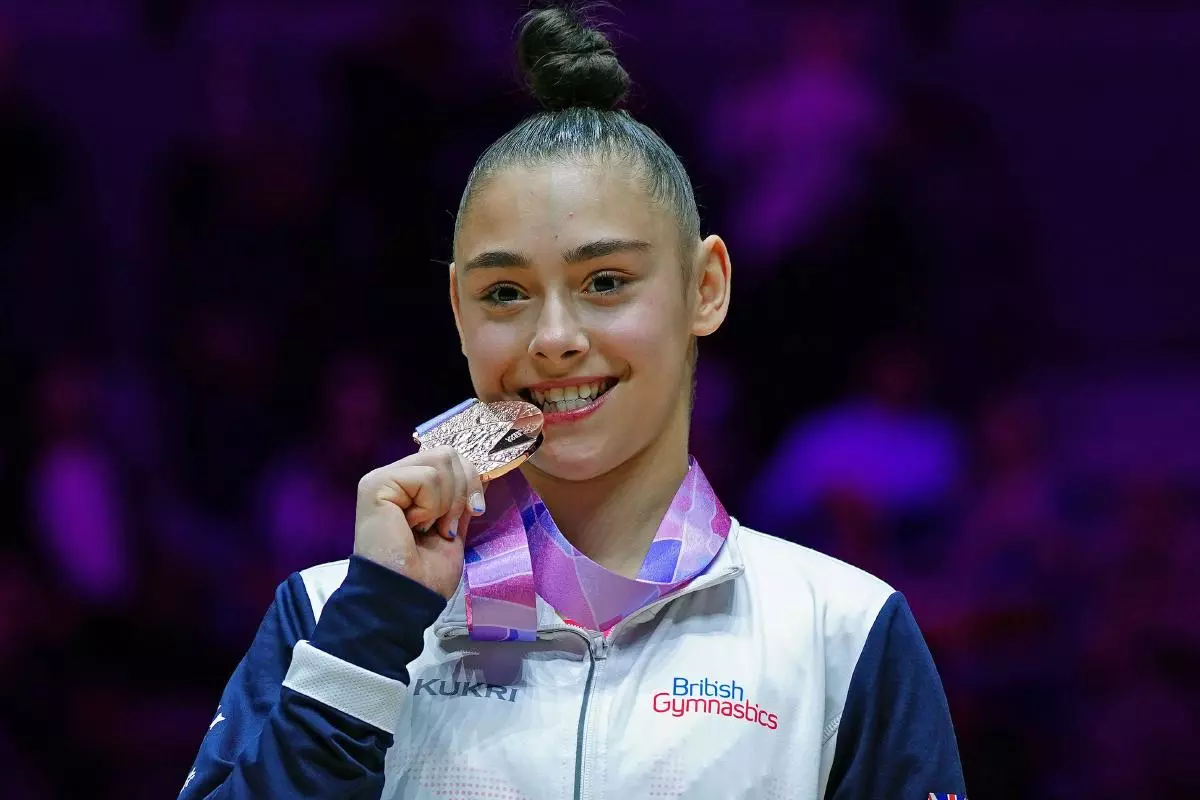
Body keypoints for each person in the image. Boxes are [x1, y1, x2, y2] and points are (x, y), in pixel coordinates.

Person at [179, 6, 966, 799]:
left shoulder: (840, 636)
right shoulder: (329, 618)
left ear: (706, 287)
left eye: (607, 283)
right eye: (506, 292)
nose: (553, 337)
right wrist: (372, 629)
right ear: (458, 311)